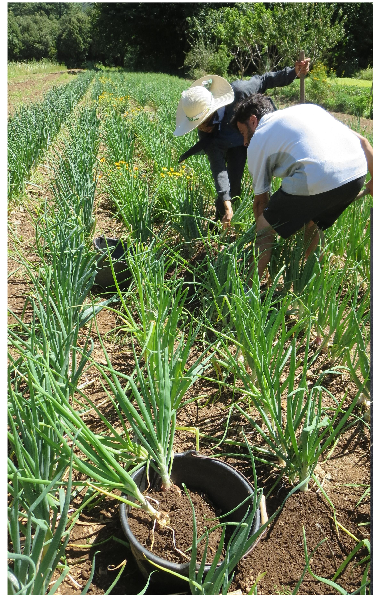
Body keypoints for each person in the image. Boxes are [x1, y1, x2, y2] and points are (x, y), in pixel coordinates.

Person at [228, 93, 373, 282]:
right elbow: (363, 142)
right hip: (357, 172)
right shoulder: (308, 110)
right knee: (310, 222)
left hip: (317, 175)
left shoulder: (259, 139)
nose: (245, 142)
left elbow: (261, 202)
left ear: (253, 121)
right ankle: (316, 282)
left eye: (243, 133)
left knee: (264, 226)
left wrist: (266, 232)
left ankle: (247, 287)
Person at [173, 59, 310, 221]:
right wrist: (226, 202)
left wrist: (293, 72)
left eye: (203, 121)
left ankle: (274, 219)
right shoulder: (207, 133)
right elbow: (218, 168)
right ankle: (222, 219)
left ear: (213, 109)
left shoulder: (240, 91)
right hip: (234, 145)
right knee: (232, 186)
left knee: (269, 177)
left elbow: (265, 80)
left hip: (259, 133)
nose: (200, 127)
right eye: (197, 124)